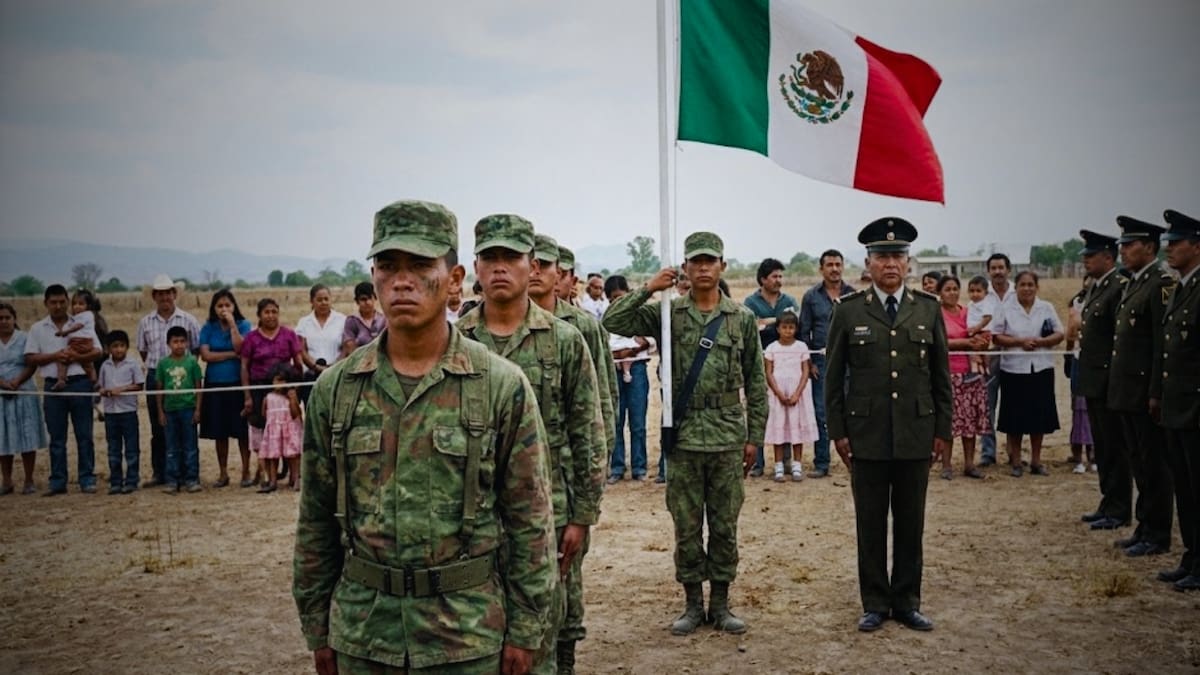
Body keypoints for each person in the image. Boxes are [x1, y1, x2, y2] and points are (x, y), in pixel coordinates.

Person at [293, 199, 557, 674]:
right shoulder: (337, 389)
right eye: (388, 265)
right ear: (373, 275)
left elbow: (530, 522)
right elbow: (315, 521)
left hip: (468, 636)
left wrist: (527, 628)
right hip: (364, 634)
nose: (401, 280)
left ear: (454, 278)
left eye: (420, 265)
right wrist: (318, 626)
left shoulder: (499, 385)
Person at [456, 215, 606, 674]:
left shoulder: (564, 340)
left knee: (546, 624)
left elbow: (588, 434)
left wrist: (582, 516)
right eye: (491, 258)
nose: (501, 268)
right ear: (476, 266)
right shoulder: (456, 340)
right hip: (468, 517)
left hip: (549, 511)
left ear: (531, 266)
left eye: (512, 258)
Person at [604, 230, 767, 637]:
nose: (704, 268)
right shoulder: (668, 314)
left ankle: (722, 603)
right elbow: (613, 320)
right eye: (695, 261)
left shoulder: (741, 318)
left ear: (722, 267)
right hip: (685, 435)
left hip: (728, 435)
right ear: (685, 269)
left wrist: (755, 437)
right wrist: (648, 288)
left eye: (710, 261)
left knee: (726, 524)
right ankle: (693, 604)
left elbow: (755, 381)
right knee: (687, 525)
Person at [824, 217, 952, 633]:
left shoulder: (927, 309)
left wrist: (942, 431)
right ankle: (875, 602)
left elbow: (940, 378)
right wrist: (839, 432)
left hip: (916, 432)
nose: (890, 264)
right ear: (868, 263)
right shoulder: (848, 311)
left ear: (909, 262)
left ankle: (907, 601)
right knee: (871, 522)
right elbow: (833, 379)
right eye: (882, 256)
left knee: (912, 522)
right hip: (867, 435)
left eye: (897, 256)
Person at [1108, 215, 1175, 557]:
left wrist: (1154, 391)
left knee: (1154, 464)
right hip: (1127, 393)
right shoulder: (1134, 283)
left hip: (1143, 392)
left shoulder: (1160, 284)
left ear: (1150, 247)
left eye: (1129, 244)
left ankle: (1158, 532)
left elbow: (1161, 346)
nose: (1122, 250)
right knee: (1138, 462)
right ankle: (1144, 525)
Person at [1074, 229, 1134, 532]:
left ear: (1108, 257)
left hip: (1109, 381)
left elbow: (1118, 340)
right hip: (1095, 382)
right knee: (1103, 446)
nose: (1085, 259)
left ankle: (1120, 507)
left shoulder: (1118, 287)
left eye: (1090, 255)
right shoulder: (1098, 287)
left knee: (1114, 447)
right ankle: (1108, 501)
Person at [22, 284, 103, 495]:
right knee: (57, 437)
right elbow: (30, 357)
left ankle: (87, 479)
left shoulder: (81, 321)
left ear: (67, 301)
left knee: (84, 435)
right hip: (52, 386)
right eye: (53, 302)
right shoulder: (37, 329)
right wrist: (55, 356)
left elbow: (97, 351)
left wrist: (77, 358)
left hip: (80, 383)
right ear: (46, 303)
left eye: (62, 302)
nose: (58, 306)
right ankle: (58, 481)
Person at [1159, 208, 1200, 591]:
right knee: (1185, 489)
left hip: (1195, 409)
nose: (1169, 249)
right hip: (1178, 408)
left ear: (1197, 245)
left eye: (1176, 242)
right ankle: (1192, 556)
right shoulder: (1181, 287)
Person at [991, 271, 1063, 477]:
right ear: (1016, 287)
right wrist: (1018, 342)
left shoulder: (1046, 307)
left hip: (1041, 368)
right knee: (1015, 418)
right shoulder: (1005, 308)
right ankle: (1015, 462)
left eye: (1031, 284)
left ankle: (1036, 461)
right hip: (1014, 369)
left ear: (1037, 287)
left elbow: (1059, 333)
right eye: (1023, 284)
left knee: (1038, 416)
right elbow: (996, 336)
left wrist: (1041, 342)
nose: (1027, 288)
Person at [136, 274, 201, 488]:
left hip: (185, 377)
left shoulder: (189, 320)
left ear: (175, 294)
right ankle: (161, 473)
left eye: (168, 293)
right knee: (159, 427)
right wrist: (161, 370)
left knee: (185, 427)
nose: (165, 297)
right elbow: (143, 352)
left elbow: (197, 350)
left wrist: (184, 371)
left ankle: (186, 475)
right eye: (160, 293)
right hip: (157, 374)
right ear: (154, 296)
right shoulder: (145, 323)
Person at [799, 249, 855, 479]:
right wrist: (809, 362)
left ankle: (855, 461)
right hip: (821, 363)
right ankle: (822, 462)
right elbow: (804, 332)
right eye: (829, 264)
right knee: (822, 414)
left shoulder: (854, 295)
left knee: (853, 412)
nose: (834, 269)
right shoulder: (811, 297)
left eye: (838, 264)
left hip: (851, 364)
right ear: (821, 269)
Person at [743, 257, 799, 477]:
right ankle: (757, 462)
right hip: (758, 363)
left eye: (780, 276)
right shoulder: (750, 302)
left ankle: (785, 461)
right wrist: (777, 321)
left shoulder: (790, 300)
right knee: (758, 410)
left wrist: (767, 322)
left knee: (784, 410)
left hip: (787, 365)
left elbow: (795, 325)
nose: (779, 280)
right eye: (774, 276)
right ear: (763, 279)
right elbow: (751, 328)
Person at [240, 298, 304, 485]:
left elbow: (298, 362)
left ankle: (290, 473)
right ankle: (266, 474)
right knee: (264, 431)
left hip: (284, 388)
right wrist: (247, 395)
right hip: (259, 388)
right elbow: (244, 366)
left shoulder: (288, 335)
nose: (271, 315)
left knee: (286, 429)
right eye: (266, 312)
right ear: (259, 315)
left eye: (274, 311)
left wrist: (294, 388)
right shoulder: (252, 338)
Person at [936, 275, 989, 480]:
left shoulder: (970, 312)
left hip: (970, 373)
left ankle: (969, 464)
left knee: (970, 422)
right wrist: (965, 344)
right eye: (947, 289)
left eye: (955, 289)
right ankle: (946, 465)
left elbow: (984, 335)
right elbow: (938, 342)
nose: (952, 293)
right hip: (947, 374)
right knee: (948, 421)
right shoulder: (936, 315)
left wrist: (981, 342)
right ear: (940, 292)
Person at [198, 289, 253, 488]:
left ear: (234, 306)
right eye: (220, 306)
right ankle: (223, 473)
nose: (224, 309)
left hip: (238, 383)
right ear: (214, 308)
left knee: (241, 431)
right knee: (220, 432)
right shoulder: (208, 327)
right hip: (215, 385)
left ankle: (246, 471)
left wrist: (231, 324)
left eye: (227, 305)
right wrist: (231, 355)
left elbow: (242, 349)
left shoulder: (243, 325)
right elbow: (206, 355)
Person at [604, 275, 654, 484]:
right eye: (613, 299)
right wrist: (620, 353)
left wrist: (632, 349)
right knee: (616, 421)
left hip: (637, 370)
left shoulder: (639, 316)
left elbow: (650, 341)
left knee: (638, 422)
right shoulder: (606, 320)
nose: (618, 302)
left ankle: (639, 467)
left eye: (621, 297)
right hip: (614, 371)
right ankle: (616, 467)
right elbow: (604, 349)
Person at [763, 310, 817, 482]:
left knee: (796, 430)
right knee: (779, 428)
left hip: (797, 393)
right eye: (784, 327)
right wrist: (778, 393)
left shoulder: (801, 347)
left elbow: (805, 371)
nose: (787, 331)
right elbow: (769, 372)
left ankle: (797, 466)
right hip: (778, 392)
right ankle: (778, 466)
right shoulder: (772, 348)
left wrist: (796, 394)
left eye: (791, 327)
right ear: (778, 329)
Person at [0, 302, 45, 495]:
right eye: (0, 318)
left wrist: (17, 381)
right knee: (3, 437)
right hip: (1, 393)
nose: (4, 322)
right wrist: (3, 384)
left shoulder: (25, 338)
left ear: (14, 319)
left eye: (7, 318)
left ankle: (29, 480)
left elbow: (32, 363)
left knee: (27, 435)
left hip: (24, 390)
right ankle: (7, 480)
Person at [979, 254, 1017, 467]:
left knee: (1012, 405)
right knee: (987, 405)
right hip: (990, 355)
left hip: (1014, 354)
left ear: (1008, 269)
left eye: (1001, 267)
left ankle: (1014, 452)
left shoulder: (1017, 292)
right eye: (993, 268)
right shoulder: (983, 295)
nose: (998, 271)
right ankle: (988, 452)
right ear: (988, 271)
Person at [156, 325, 203, 494]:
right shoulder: (162, 364)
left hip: (188, 409)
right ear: (168, 343)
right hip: (170, 410)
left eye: (182, 341)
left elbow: (199, 387)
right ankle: (172, 480)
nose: (179, 345)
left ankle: (191, 479)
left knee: (190, 446)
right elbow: (159, 390)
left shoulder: (192, 363)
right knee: (171, 447)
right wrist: (160, 411)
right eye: (175, 341)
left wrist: (198, 410)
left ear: (187, 343)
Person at [97, 330, 144, 494]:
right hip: (111, 413)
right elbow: (100, 385)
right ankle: (115, 481)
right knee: (114, 449)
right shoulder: (105, 366)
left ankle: (132, 480)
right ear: (109, 348)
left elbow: (139, 384)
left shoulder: (132, 364)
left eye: (122, 346)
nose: (118, 350)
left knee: (131, 448)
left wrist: (122, 389)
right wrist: (103, 390)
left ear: (127, 347)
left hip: (128, 412)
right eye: (115, 346)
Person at [1064, 281, 1095, 474]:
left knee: (1096, 410)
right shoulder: (1078, 302)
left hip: (1099, 363)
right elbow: (1072, 331)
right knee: (1079, 408)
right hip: (1079, 359)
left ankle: (1094, 455)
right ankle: (1078, 456)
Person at [296, 283, 347, 402]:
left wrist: (334, 367)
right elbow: (301, 350)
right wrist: (315, 367)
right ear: (312, 301)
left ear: (331, 300)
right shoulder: (304, 323)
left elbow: (346, 348)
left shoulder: (342, 320)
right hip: (311, 376)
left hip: (336, 374)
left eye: (326, 299)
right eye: (319, 300)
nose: (323, 303)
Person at [258, 363, 302, 494]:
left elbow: (296, 414)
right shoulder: (268, 397)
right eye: (276, 380)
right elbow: (264, 414)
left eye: (282, 380)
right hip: (274, 431)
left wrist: (293, 400)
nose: (279, 383)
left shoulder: (290, 397)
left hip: (289, 429)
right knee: (272, 456)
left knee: (292, 455)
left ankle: (295, 479)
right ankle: (272, 481)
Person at [52, 289, 101, 391]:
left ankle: (61, 379)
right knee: (88, 365)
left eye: (81, 304)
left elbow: (78, 326)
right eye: (74, 304)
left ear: (88, 305)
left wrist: (65, 332)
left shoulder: (87, 315)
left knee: (62, 357)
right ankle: (95, 382)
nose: (77, 306)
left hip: (80, 342)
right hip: (84, 343)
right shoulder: (76, 317)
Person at [341, 281, 386, 358]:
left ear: (375, 298)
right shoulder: (352, 321)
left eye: (370, 298)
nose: (367, 302)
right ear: (357, 301)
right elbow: (350, 345)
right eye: (363, 299)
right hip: (358, 362)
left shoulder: (383, 320)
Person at [964, 276, 995, 381]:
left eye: (978, 291)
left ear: (985, 293)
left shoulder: (986, 303)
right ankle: (983, 372)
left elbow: (988, 318)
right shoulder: (970, 304)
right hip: (974, 332)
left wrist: (977, 328)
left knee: (974, 351)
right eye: (972, 291)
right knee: (978, 353)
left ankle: (976, 371)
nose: (975, 294)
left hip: (982, 331)